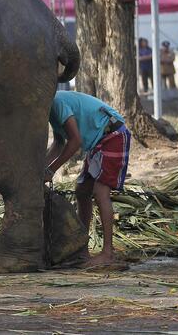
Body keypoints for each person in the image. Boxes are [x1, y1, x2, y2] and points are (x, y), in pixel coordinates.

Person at [45, 91, 131, 267]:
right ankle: (81, 249)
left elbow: (75, 141)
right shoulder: (51, 111)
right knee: (82, 191)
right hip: (97, 142)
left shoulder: (57, 103)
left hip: (112, 135)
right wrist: (41, 169)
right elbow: (58, 143)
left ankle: (108, 253)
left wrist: (52, 170)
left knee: (101, 193)